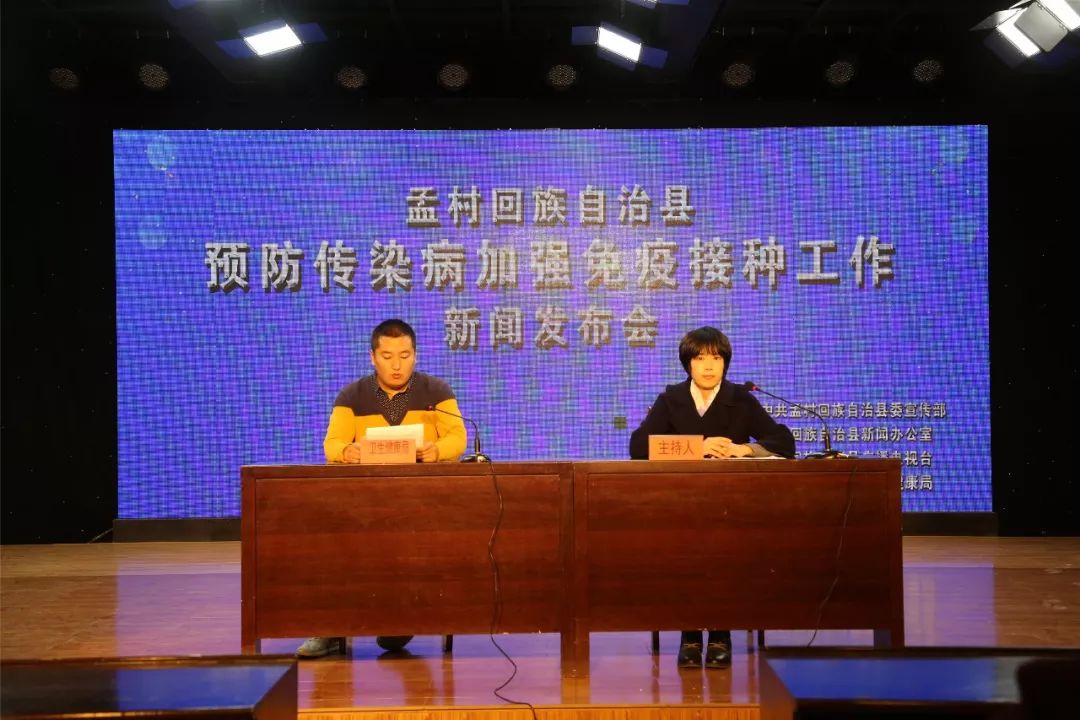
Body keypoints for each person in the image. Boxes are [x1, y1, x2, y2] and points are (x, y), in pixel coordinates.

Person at [297, 319, 467, 659]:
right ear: (373, 357)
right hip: (366, 504)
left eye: (404, 356)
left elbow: (458, 437)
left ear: (415, 355)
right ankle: (329, 628)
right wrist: (347, 452)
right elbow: (332, 444)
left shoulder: (436, 392)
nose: (396, 365)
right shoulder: (352, 396)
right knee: (334, 544)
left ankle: (401, 619)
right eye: (387, 356)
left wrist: (437, 451)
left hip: (423, 504)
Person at [629, 326, 795, 670]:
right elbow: (638, 446)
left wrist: (744, 449)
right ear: (688, 363)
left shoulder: (741, 399)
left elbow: (784, 441)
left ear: (725, 363)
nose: (708, 366)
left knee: (727, 555)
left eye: (716, 358)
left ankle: (721, 634)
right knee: (684, 556)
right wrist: (697, 447)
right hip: (680, 506)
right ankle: (690, 635)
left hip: (731, 507)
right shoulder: (671, 399)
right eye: (700, 358)